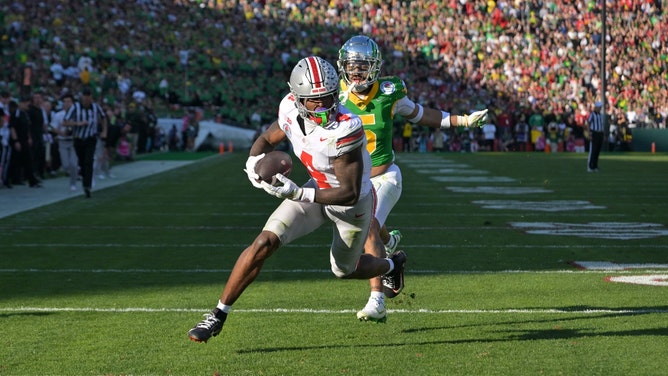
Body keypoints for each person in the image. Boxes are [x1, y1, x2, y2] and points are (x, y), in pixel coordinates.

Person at [187, 56, 406, 343]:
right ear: (299, 98)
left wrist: (297, 193)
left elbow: (349, 191)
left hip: (352, 205)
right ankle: (218, 314)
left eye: (329, 96)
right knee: (264, 242)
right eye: (316, 100)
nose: (326, 104)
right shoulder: (289, 108)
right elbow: (267, 139)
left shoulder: (345, 127)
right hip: (316, 188)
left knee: (344, 270)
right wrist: (253, 163)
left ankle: (392, 265)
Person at [337, 35, 488, 322]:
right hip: (354, 183)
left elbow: (422, 115)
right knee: (366, 230)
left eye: (363, 66)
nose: (357, 72)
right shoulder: (336, 96)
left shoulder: (389, 92)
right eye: (352, 66)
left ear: (375, 67)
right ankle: (390, 247)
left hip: (385, 177)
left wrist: (463, 120)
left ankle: (377, 300)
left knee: (366, 223)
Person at [64, 87, 107, 198]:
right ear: (82, 97)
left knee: (88, 160)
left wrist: (104, 131)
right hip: (78, 138)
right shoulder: (75, 107)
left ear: (91, 97)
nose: (87, 98)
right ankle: (85, 179)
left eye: (89, 96)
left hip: (90, 138)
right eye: (85, 96)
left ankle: (87, 186)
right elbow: (65, 122)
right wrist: (78, 123)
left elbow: (103, 118)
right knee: (82, 162)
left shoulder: (96, 107)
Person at [51, 93, 79, 191]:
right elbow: (52, 127)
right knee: (66, 164)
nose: (67, 103)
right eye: (65, 102)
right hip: (62, 141)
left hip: (73, 141)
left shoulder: (77, 114)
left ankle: (73, 183)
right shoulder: (59, 115)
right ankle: (75, 172)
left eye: (69, 101)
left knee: (73, 163)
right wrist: (61, 133)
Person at [587, 101, 604, 172]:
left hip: (600, 133)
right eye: (599, 107)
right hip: (594, 133)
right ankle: (590, 166)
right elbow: (588, 122)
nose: (600, 108)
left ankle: (595, 166)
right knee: (593, 150)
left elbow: (601, 125)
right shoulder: (592, 114)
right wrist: (589, 133)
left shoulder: (600, 115)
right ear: (596, 107)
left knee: (597, 151)